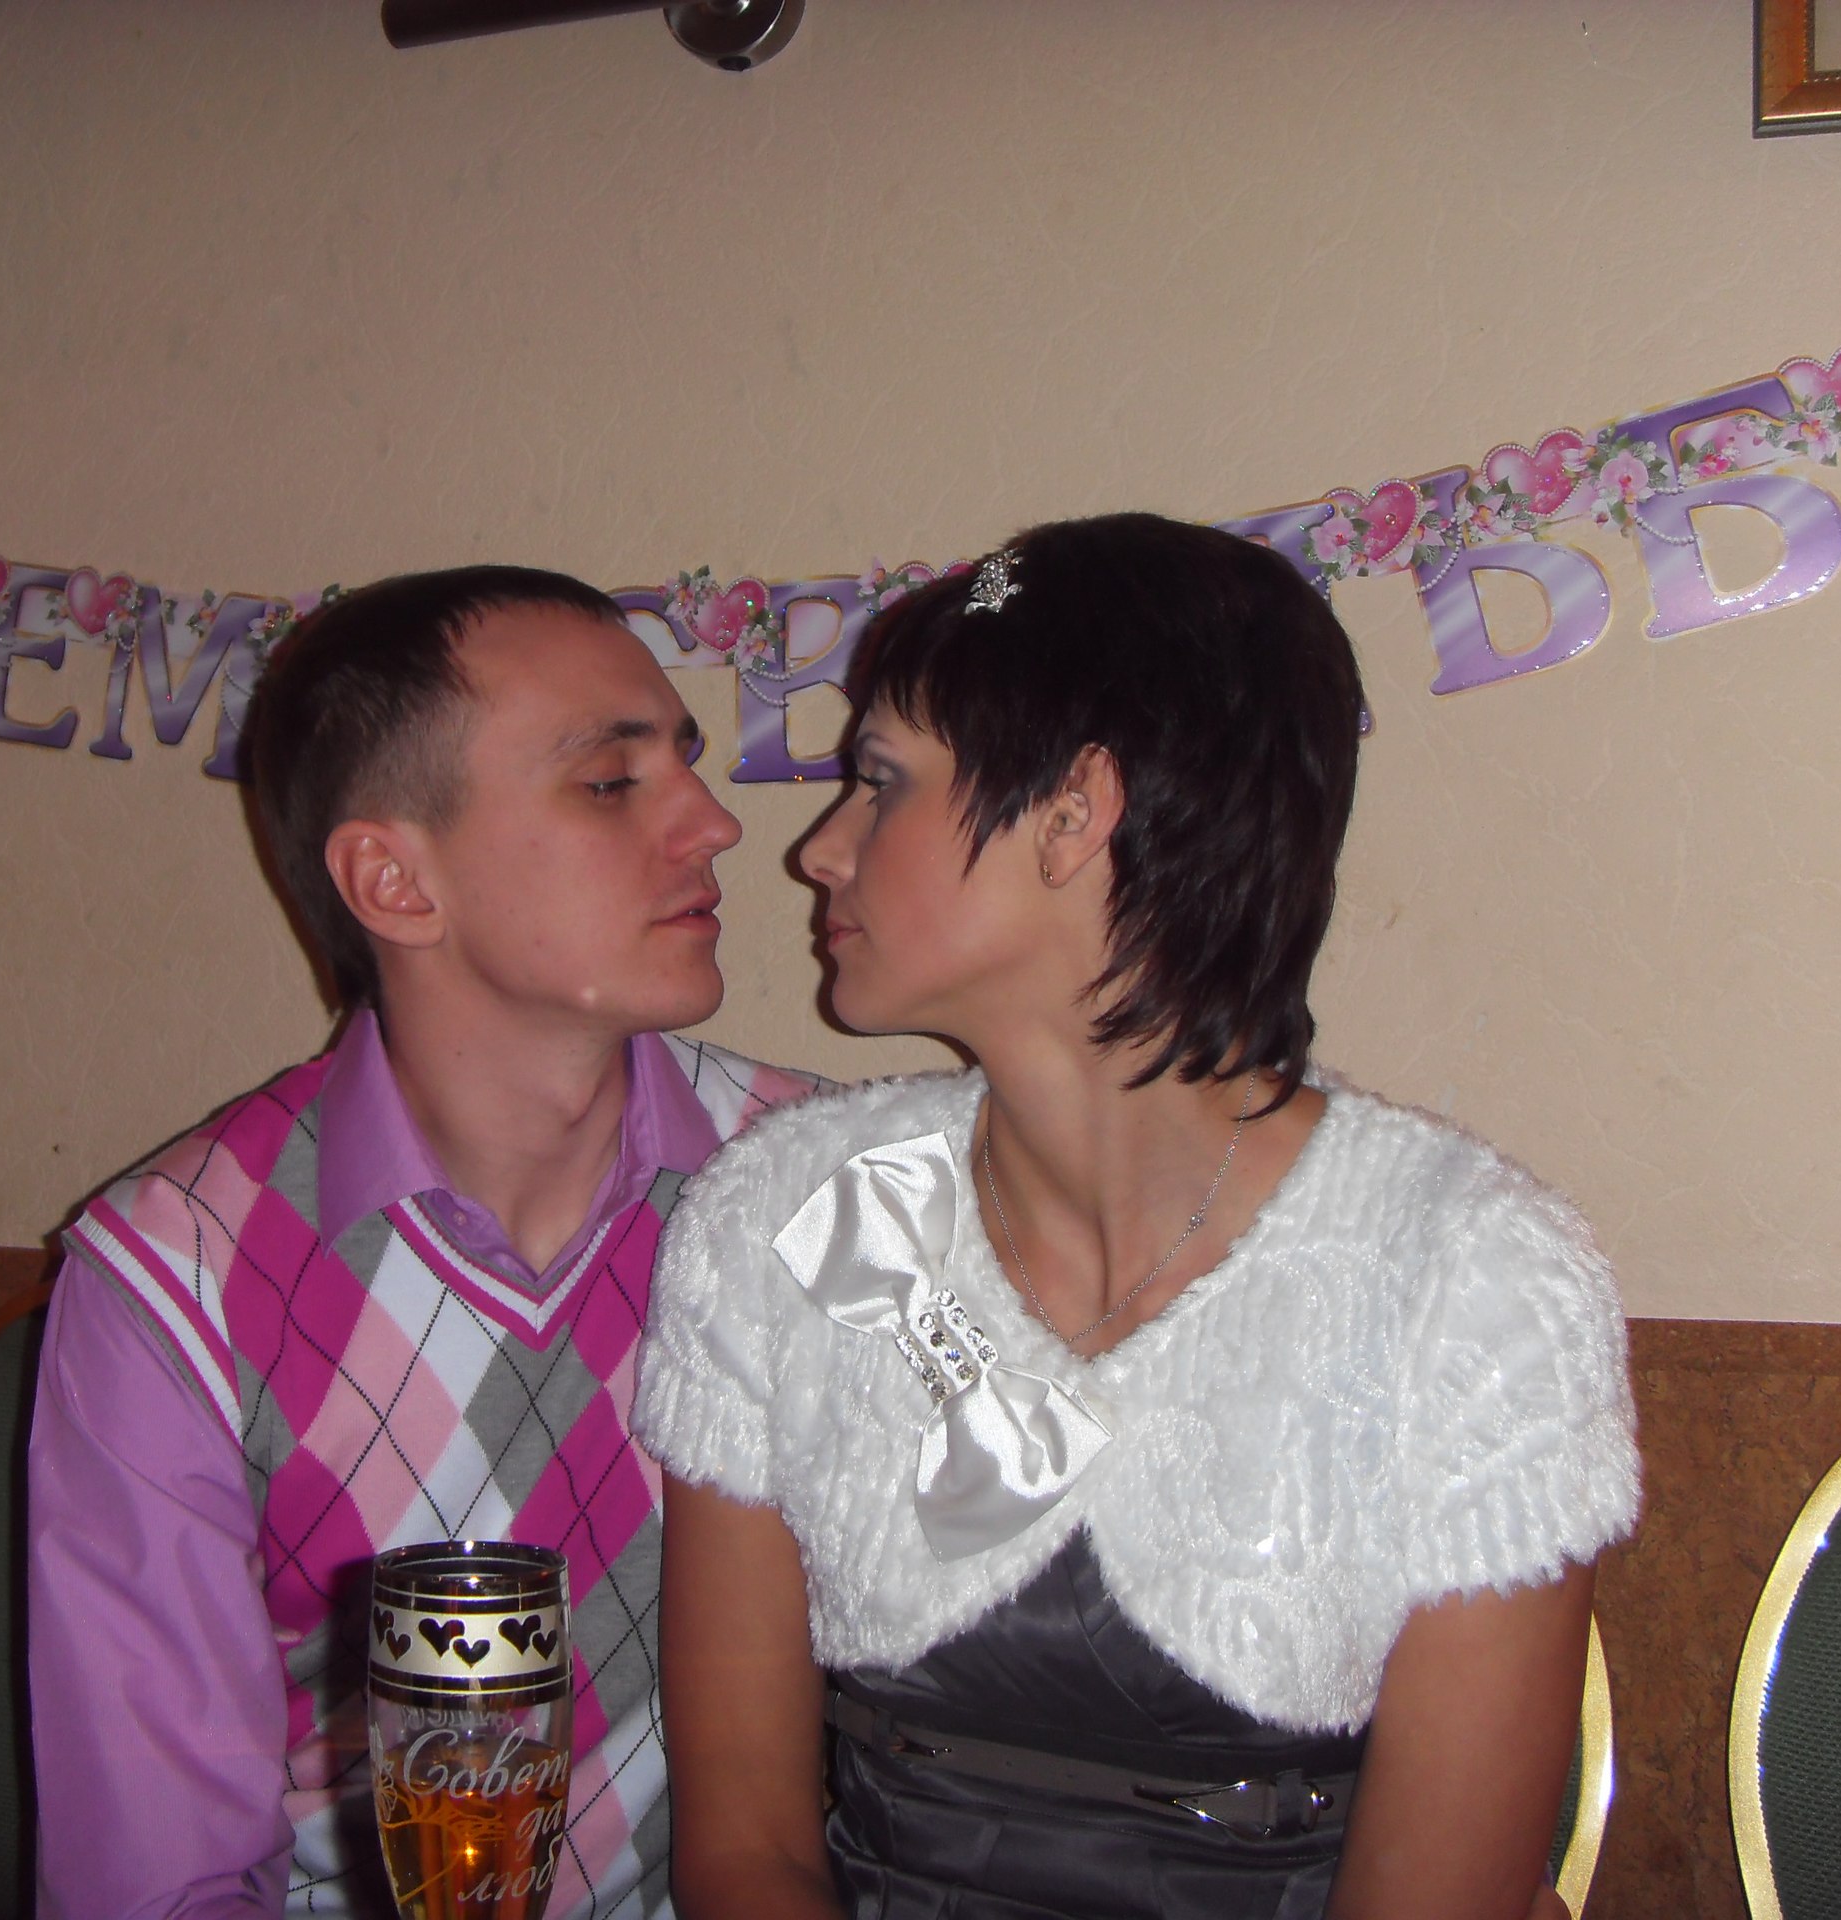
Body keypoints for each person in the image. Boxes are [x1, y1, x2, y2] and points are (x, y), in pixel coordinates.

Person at [633, 514, 1640, 1920]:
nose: (820, 851)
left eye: (882, 781)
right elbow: (747, 1853)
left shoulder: (1471, 1279)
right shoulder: (790, 1216)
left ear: (1073, 813)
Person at [28, 565, 820, 1919]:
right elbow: (157, 1881)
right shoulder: (176, 1281)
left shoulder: (815, 1193)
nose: (714, 822)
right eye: (610, 782)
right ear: (394, 881)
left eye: (684, 763)